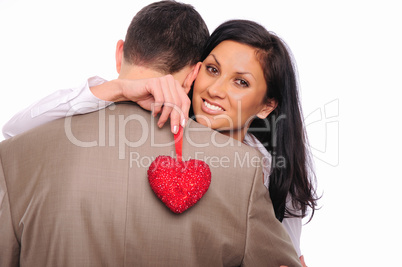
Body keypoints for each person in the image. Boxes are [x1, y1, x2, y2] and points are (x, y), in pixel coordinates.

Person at [2, 8, 316, 267]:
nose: (216, 90)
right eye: (212, 70)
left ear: (268, 105)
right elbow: (16, 134)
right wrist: (114, 88)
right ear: (195, 73)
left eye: (240, 82)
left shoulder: (266, 175)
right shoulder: (150, 134)